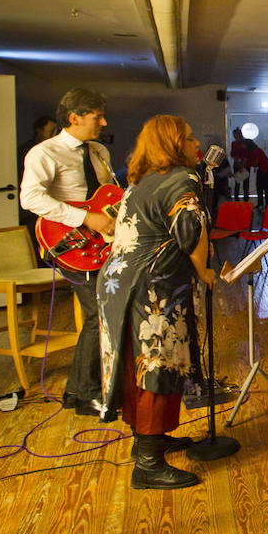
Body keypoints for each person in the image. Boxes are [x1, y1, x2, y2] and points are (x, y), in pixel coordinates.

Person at [95, 115, 213, 490]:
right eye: (191, 138)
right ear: (174, 144)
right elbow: (189, 233)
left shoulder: (140, 182)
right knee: (156, 367)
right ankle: (148, 464)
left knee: (137, 366)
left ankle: (150, 440)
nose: (198, 144)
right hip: (151, 291)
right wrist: (206, 273)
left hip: (120, 284)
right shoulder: (182, 179)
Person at [20, 88, 117, 416]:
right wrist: (86, 218)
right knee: (98, 315)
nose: (103, 122)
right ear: (74, 118)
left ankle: (79, 391)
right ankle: (85, 392)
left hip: (98, 243)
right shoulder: (44, 153)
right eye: (96, 117)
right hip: (69, 244)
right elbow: (31, 199)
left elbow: (105, 195)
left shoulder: (99, 151)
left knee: (103, 314)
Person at [17, 115, 59, 237]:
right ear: (39, 130)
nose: (54, 136)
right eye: (51, 131)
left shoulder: (55, 150)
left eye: (56, 132)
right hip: (31, 210)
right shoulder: (30, 151)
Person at [245, 138, 268, 208]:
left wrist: (247, 164)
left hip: (267, 169)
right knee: (259, 187)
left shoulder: (257, 151)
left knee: (266, 187)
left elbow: (255, 162)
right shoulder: (250, 151)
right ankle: (260, 203)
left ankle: (267, 204)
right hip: (261, 169)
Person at [229, 127, 250, 201]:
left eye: (236, 135)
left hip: (246, 164)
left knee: (246, 184)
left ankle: (246, 199)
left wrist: (242, 164)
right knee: (237, 182)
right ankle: (236, 199)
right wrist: (237, 162)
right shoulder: (233, 143)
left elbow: (247, 154)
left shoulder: (245, 143)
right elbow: (232, 154)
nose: (235, 137)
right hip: (237, 164)